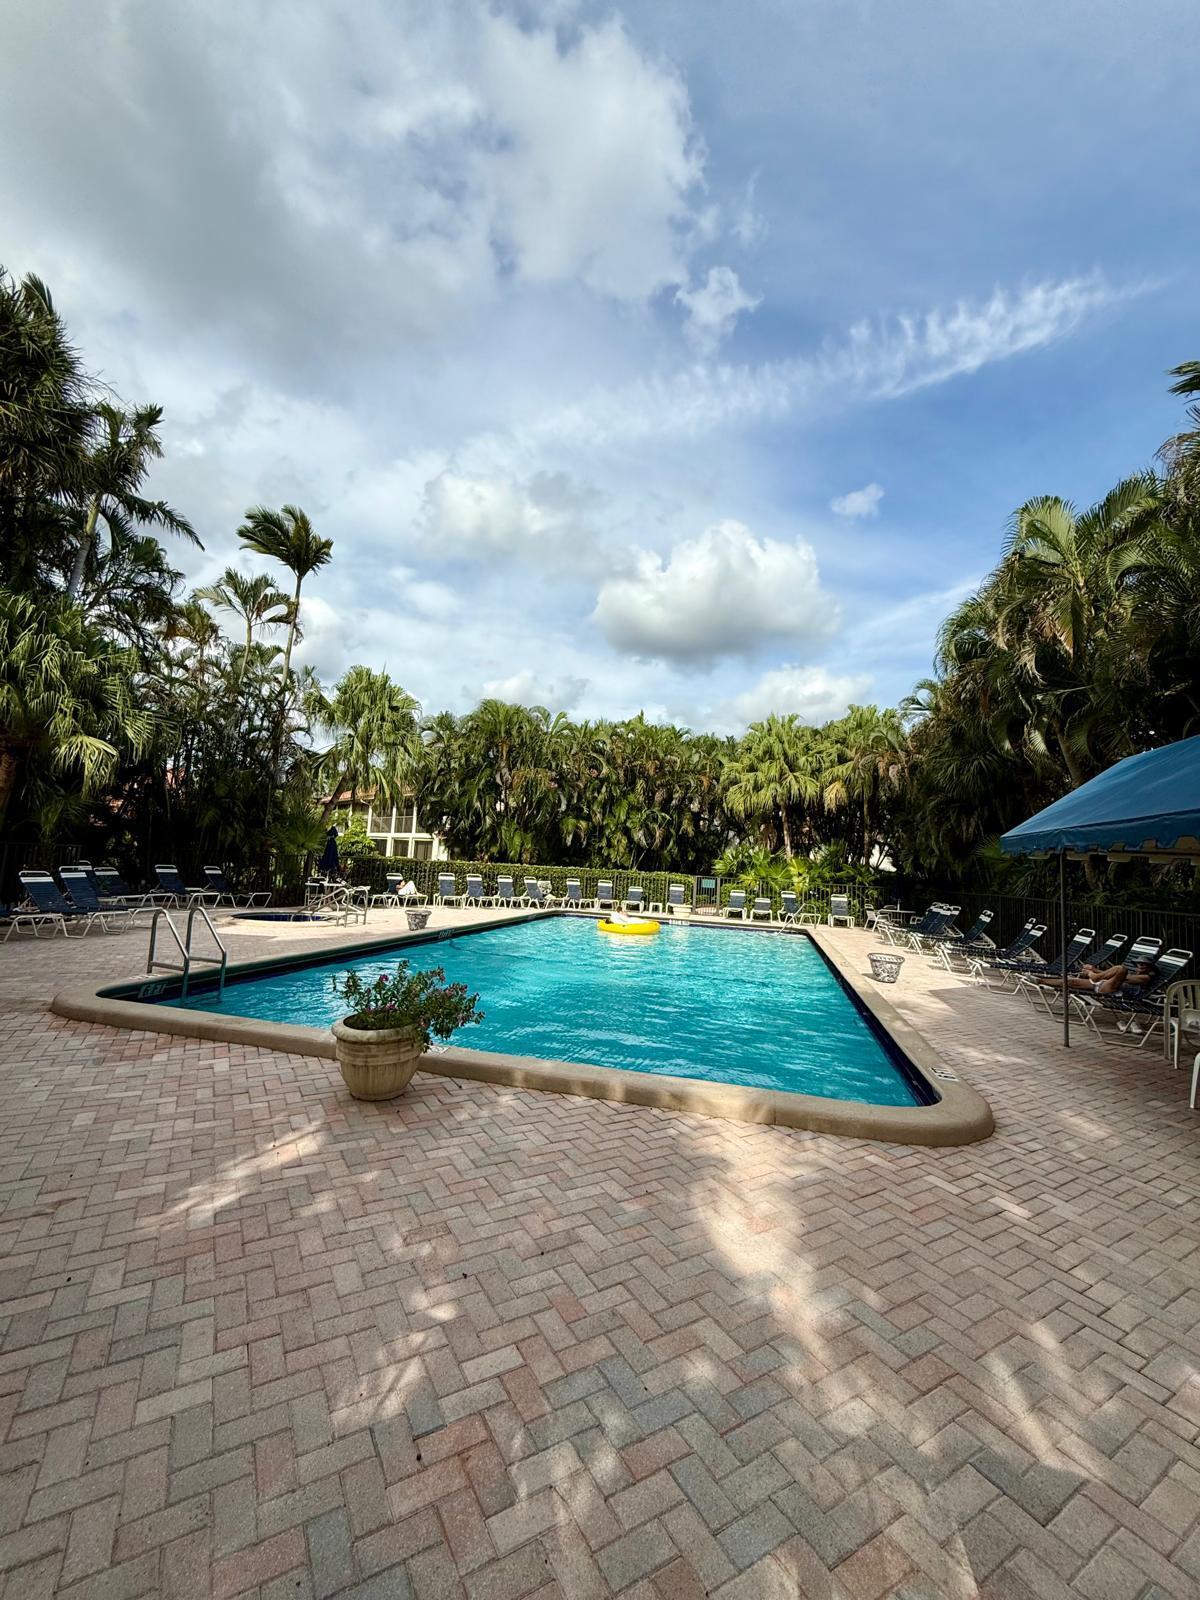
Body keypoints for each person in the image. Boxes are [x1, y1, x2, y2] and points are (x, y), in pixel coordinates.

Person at [1039, 957, 1157, 995]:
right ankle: (1040, 980)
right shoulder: (1133, 973)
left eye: (1144, 964)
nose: (1141, 965)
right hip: (1103, 983)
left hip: (1112, 989)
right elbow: (1108, 975)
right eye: (1139, 963)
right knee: (1071, 981)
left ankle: (1094, 977)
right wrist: (1093, 969)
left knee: (1121, 968)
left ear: (1149, 968)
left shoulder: (1145, 978)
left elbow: (1123, 978)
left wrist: (1092, 974)